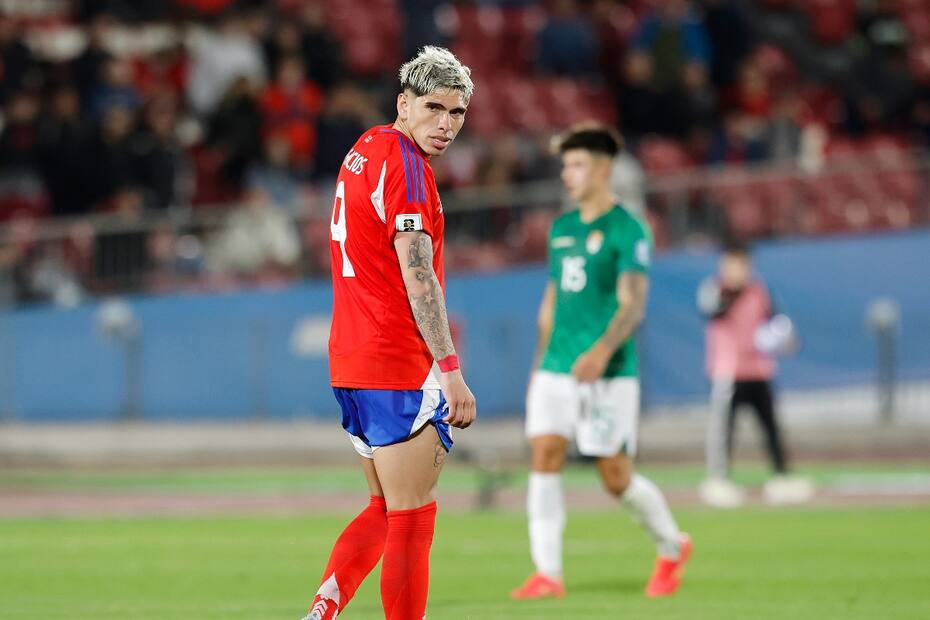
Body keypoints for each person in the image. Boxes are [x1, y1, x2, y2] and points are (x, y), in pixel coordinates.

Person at [302, 46, 477, 620]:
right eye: (434, 108)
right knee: (412, 515)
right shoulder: (407, 166)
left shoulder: (366, 148)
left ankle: (323, 610)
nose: (446, 124)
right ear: (404, 103)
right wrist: (450, 370)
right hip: (397, 358)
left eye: (457, 113)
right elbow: (418, 273)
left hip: (350, 358)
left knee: (383, 506)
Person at [511, 125, 691, 602]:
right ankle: (547, 573)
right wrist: (538, 366)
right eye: (565, 165)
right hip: (556, 366)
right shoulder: (561, 229)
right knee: (545, 454)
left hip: (607, 372)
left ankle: (672, 546)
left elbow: (633, 303)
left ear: (603, 169)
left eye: (577, 164)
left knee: (615, 477)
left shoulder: (628, 229)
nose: (567, 174)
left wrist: (601, 351)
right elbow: (552, 300)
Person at [696, 240, 812, 507]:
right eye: (731, 265)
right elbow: (712, 311)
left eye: (741, 265)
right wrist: (731, 290)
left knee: (771, 427)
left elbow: (776, 322)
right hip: (728, 372)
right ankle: (718, 479)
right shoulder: (714, 289)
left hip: (759, 370)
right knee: (724, 429)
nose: (736, 270)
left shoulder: (759, 291)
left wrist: (782, 337)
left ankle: (781, 476)